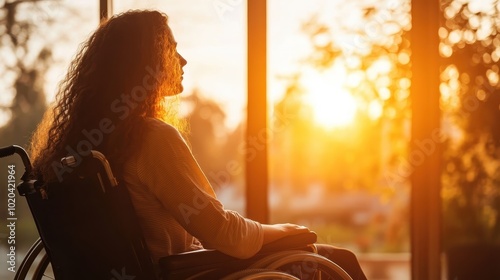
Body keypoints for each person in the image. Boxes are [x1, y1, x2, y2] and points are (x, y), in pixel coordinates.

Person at [29, 10, 367, 280]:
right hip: (188, 271)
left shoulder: (80, 152)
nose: (183, 61)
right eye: (171, 49)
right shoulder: (151, 138)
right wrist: (279, 230)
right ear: (143, 65)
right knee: (337, 259)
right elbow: (221, 234)